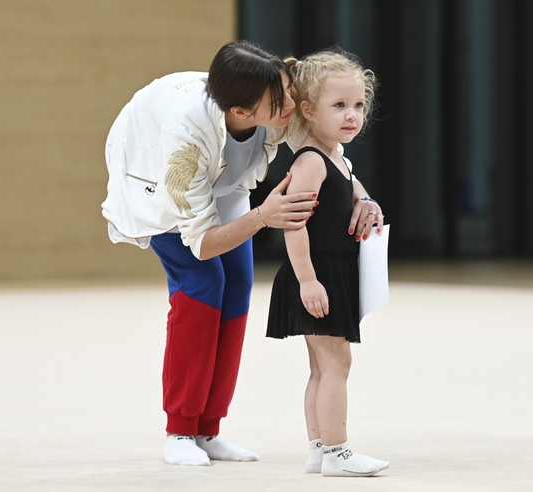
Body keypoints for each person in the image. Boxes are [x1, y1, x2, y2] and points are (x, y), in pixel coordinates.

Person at [101, 40, 380, 467]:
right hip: (163, 186)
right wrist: (264, 216)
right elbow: (200, 242)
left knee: (238, 288)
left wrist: (361, 195)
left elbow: (328, 154)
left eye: (289, 92)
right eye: (280, 101)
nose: (292, 105)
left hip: (224, 181)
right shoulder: (183, 143)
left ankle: (208, 429)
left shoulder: (279, 102)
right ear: (243, 113)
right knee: (203, 283)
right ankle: (180, 431)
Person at [266, 49, 389, 477]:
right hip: (317, 273)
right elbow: (293, 225)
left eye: (358, 105)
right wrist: (307, 281)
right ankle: (338, 452)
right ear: (307, 111)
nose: (351, 115)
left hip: (330, 271)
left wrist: (366, 200)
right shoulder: (310, 161)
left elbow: (353, 186)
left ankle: (319, 449)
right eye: (338, 106)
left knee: (322, 366)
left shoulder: (337, 157)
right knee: (337, 363)